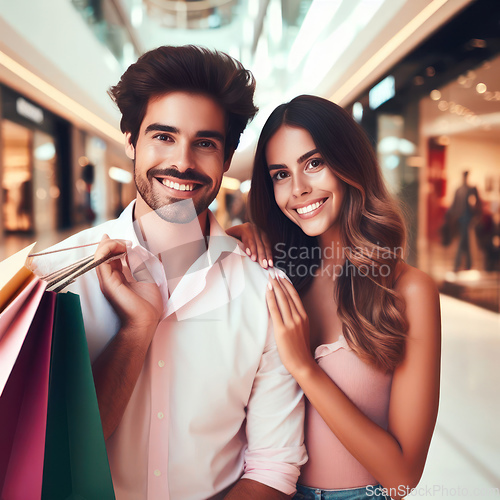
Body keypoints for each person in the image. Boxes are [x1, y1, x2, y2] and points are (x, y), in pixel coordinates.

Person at [33, 46, 306, 500]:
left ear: (227, 154)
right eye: (163, 136)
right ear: (130, 140)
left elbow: (273, 468)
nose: (183, 162)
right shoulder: (52, 278)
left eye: (205, 142)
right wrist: (136, 331)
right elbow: (42, 457)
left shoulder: (266, 291)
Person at [231, 95, 441, 500]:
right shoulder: (273, 273)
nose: (298, 189)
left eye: (314, 163)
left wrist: (304, 368)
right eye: (280, 174)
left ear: (348, 162)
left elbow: (403, 479)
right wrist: (234, 239)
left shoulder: (408, 291)